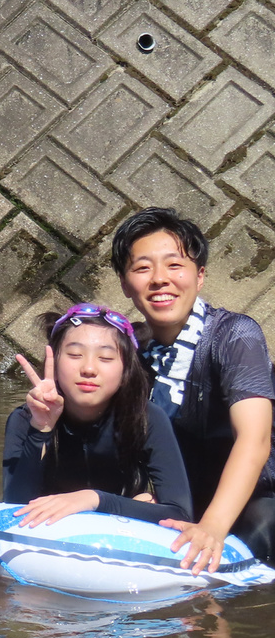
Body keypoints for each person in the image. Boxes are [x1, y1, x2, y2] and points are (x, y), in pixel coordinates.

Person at [112, 208, 275, 570]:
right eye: (142, 268)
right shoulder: (130, 348)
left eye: (174, 266)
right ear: (125, 283)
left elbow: (255, 439)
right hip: (179, 498)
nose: (159, 280)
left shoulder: (235, 336)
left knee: (267, 522)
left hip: (253, 497)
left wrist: (213, 527)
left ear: (199, 277)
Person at [4, 303, 193, 529]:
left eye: (105, 358)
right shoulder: (25, 420)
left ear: (126, 371)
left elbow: (181, 514)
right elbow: (12, 510)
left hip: (121, 532)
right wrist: (40, 430)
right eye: (75, 355)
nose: (89, 369)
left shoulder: (146, 418)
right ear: (54, 361)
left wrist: (94, 499)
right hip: (49, 534)